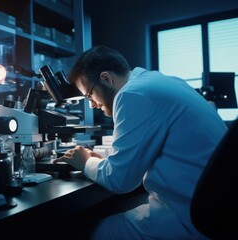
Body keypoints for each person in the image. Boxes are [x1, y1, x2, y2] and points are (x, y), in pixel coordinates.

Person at [53, 46, 228, 239]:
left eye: (89, 95)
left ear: (106, 78)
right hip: (214, 210)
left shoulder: (131, 95)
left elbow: (119, 181)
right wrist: (102, 162)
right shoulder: (165, 81)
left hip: (190, 220)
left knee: (77, 230)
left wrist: (85, 162)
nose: (91, 104)